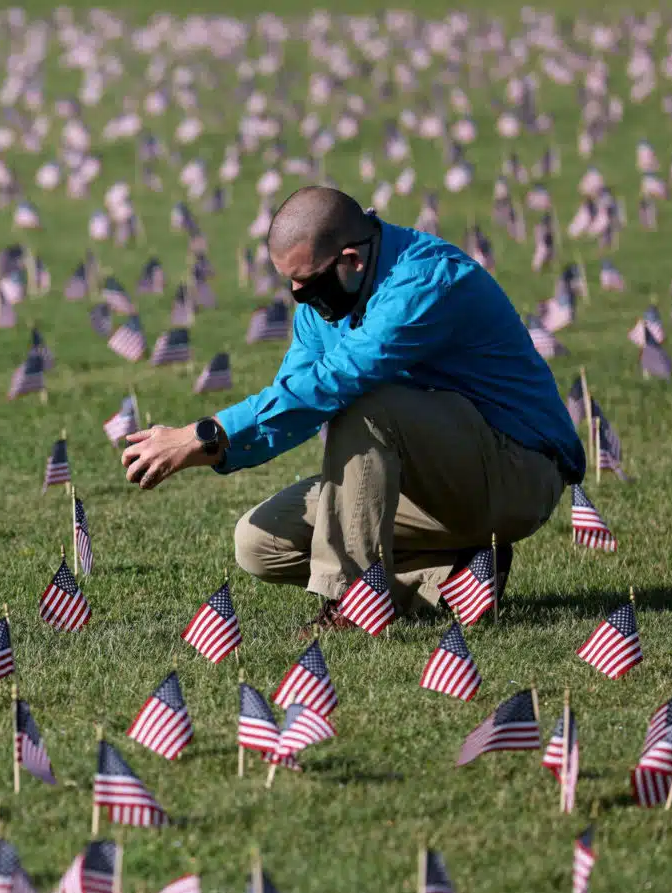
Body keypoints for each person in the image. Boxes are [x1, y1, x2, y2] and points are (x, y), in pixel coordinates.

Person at [121, 187, 584, 631]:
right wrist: (208, 447)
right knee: (258, 543)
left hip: (516, 472)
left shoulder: (424, 280)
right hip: (434, 483)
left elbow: (333, 382)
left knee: (366, 402)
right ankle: (455, 575)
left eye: (306, 284)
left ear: (351, 260)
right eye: (292, 286)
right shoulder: (327, 301)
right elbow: (294, 395)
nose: (300, 297)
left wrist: (205, 432)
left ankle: (352, 601)